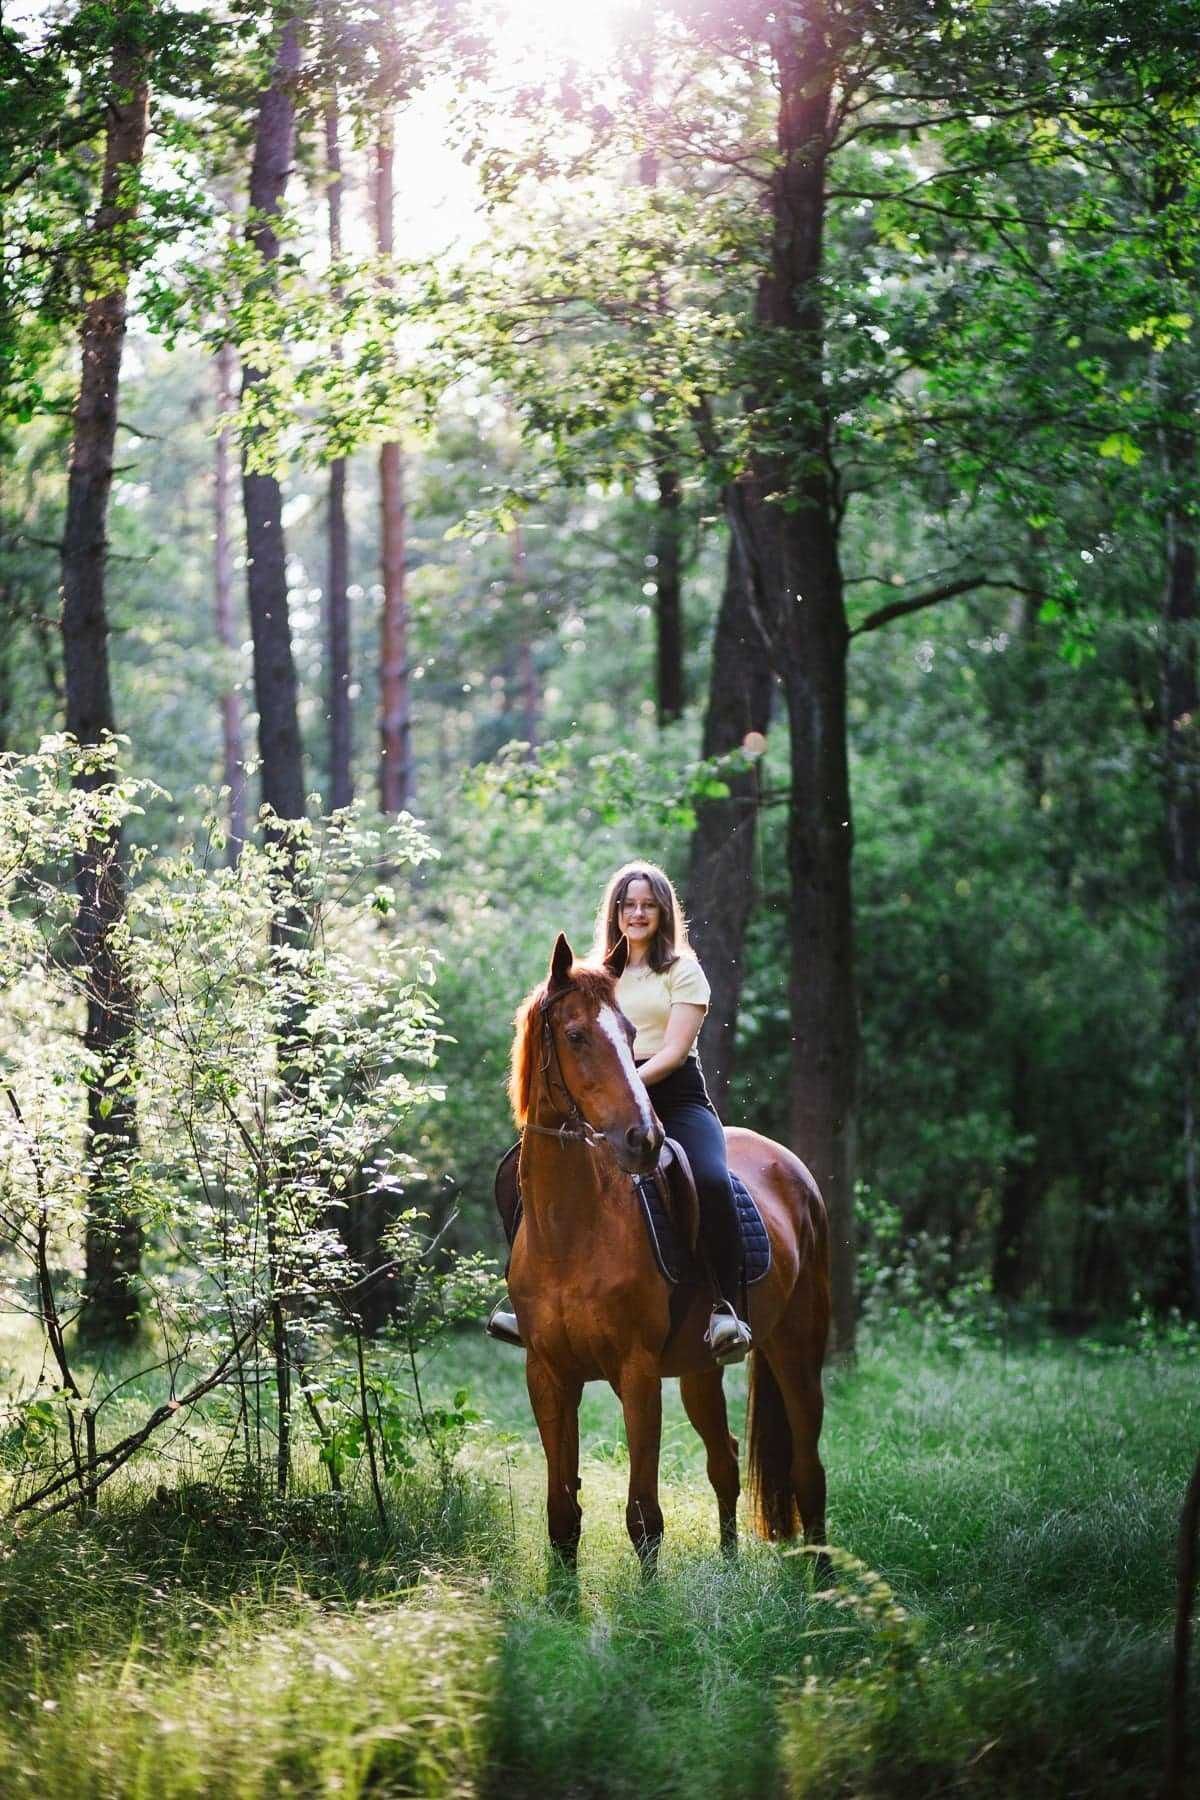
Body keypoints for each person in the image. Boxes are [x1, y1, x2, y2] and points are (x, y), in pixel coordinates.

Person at [487, 860, 752, 1365]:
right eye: (628, 905)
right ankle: (524, 1299)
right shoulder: (596, 974)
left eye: (648, 905)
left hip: (674, 1099)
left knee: (714, 1181)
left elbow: (673, 1052)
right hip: (603, 1104)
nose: (637, 913)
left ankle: (724, 1307)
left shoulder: (682, 970)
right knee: (518, 1171)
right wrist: (596, 1096)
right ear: (615, 912)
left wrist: (625, 1086)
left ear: (662, 913)